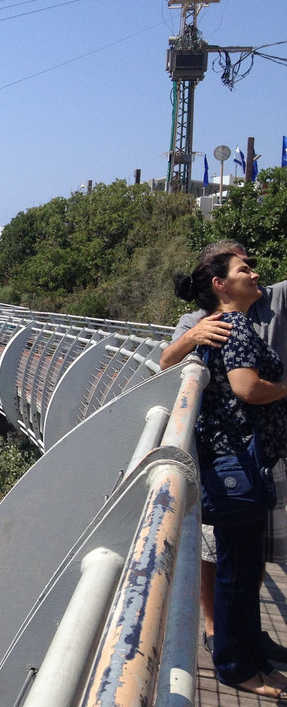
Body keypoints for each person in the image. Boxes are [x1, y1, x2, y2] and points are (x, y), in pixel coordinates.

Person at [161, 240, 287, 663]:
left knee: (247, 559)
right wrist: (194, 335)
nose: (254, 272)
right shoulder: (212, 322)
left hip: (255, 458)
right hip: (232, 458)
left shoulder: (259, 308)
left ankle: (243, 643)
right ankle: (226, 646)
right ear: (218, 281)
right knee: (227, 558)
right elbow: (170, 364)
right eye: (244, 267)